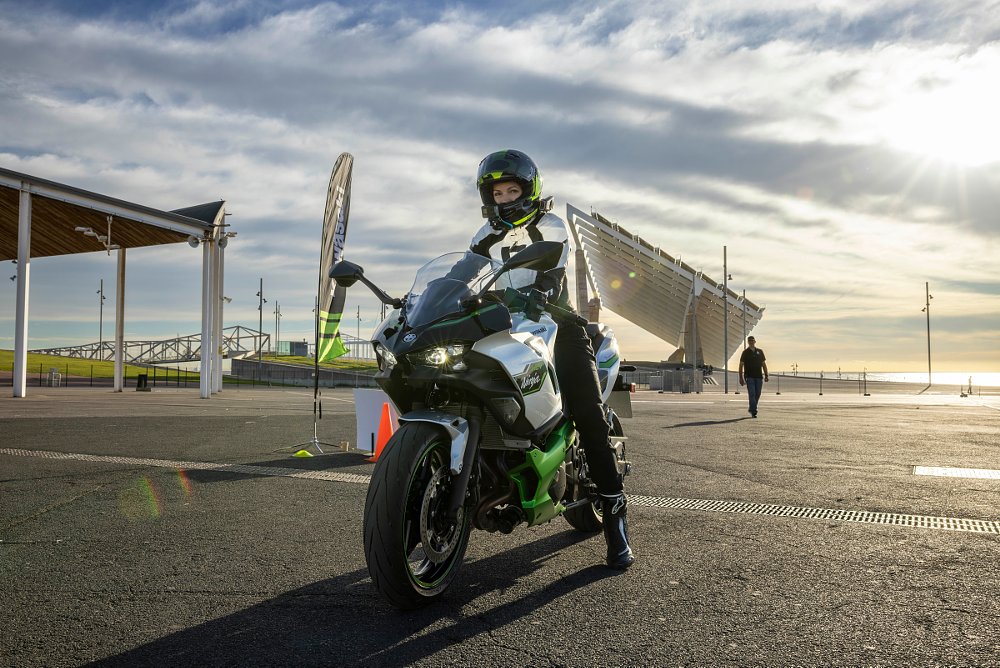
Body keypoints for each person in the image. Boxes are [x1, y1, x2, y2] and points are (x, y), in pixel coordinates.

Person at [470, 149, 635, 569]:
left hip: (556, 327)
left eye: (513, 190)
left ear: (530, 190)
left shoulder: (550, 225)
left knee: (589, 415)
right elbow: (464, 278)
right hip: (502, 329)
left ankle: (616, 519)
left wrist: (538, 292)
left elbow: (551, 272)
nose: (506, 198)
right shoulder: (481, 237)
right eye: (498, 192)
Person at [738, 336, 768, 417]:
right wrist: (740, 378)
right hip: (749, 377)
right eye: (749, 341)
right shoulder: (745, 352)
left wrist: (766, 375)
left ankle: (752, 408)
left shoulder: (760, 351)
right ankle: (754, 410)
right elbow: (741, 365)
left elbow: (764, 364)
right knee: (752, 394)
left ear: (755, 341)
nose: (751, 342)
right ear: (748, 342)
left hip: (759, 376)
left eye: (752, 340)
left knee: (757, 394)